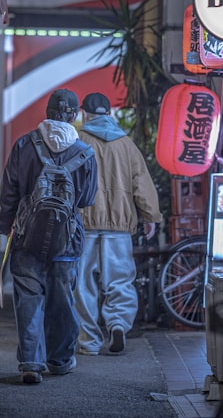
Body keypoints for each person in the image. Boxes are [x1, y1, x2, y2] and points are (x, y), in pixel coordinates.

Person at [0, 89, 98, 384]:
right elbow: (86, 199)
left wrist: (6, 226)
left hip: (26, 238)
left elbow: (9, 192)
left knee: (29, 299)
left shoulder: (24, 145)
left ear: (47, 112)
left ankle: (30, 363)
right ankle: (61, 359)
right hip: (66, 241)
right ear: (75, 115)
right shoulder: (85, 153)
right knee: (63, 300)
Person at [74, 92, 162, 356]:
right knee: (120, 281)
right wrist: (151, 217)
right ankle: (118, 324)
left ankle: (89, 341)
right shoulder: (127, 145)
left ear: (84, 113)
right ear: (109, 113)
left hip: (85, 224)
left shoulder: (78, 141)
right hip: (119, 227)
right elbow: (141, 183)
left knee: (82, 284)